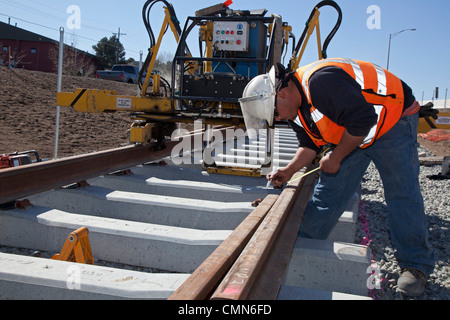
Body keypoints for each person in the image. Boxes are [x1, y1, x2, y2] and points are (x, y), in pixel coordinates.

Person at [239, 58, 435, 297]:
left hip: (393, 118)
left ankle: (415, 265)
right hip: (355, 130)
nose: (277, 118)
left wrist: (336, 156)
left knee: (401, 193)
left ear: (281, 94)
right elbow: (309, 144)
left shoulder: (320, 83)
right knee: (330, 189)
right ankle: (303, 241)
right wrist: (289, 170)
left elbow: (363, 119)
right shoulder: (295, 110)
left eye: (274, 113)